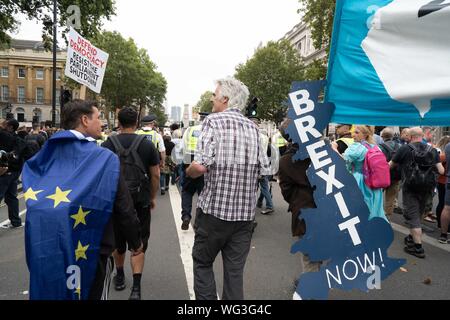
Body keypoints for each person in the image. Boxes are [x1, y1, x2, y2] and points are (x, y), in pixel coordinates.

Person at [22, 100, 143, 300]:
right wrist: (136, 242)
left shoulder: (43, 156)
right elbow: (124, 207)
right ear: (85, 120)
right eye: (98, 118)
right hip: (92, 248)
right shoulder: (104, 158)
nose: (102, 123)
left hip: (49, 250)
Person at [186, 77, 270, 300]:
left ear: (225, 98)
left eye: (215, 95)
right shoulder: (254, 128)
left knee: (203, 263)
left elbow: (201, 166)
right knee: (234, 274)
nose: (212, 99)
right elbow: (265, 170)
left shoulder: (213, 122)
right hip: (244, 217)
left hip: (214, 212)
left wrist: (189, 171)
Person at [102, 107, 160, 300]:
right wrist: (151, 197)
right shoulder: (147, 145)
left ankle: (119, 276)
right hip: (140, 201)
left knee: (118, 243)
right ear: (137, 123)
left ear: (118, 122)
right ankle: (136, 288)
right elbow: (155, 175)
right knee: (139, 243)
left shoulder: (107, 144)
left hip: (115, 202)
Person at [277, 119, 318, 294]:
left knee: (310, 257)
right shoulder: (322, 152)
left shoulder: (286, 160)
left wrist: (296, 201)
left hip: (304, 209)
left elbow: (286, 190)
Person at [390, 127, 444, 258]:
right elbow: (441, 171)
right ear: (422, 135)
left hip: (410, 186)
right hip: (427, 187)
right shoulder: (432, 149)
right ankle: (411, 237)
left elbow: (390, 165)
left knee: (412, 216)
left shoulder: (404, 149)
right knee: (419, 212)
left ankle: (418, 248)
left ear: (410, 136)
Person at [333, 125, 387, 221]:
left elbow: (342, 161)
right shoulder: (375, 147)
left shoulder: (356, 147)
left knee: (354, 210)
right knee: (373, 209)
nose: (353, 135)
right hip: (373, 182)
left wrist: (334, 148)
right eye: (353, 132)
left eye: (357, 133)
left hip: (359, 180)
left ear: (365, 135)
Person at [179, 115, 207, 230]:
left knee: (187, 191)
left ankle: (186, 216)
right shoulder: (210, 130)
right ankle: (199, 222)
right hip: (204, 164)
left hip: (189, 162)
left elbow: (182, 148)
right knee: (203, 194)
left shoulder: (190, 130)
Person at [0, 118, 28, 229]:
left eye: (5, 124)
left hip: (5, 171)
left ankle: (15, 221)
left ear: (10, 127)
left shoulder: (4, 136)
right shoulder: (18, 139)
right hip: (15, 172)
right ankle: (15, 221)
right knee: (11, 197)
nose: (3, 125)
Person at [136, 115, 166, 194]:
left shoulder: (137, 133)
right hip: (152, 161)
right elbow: (162, 151)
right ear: (152, 124)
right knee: (153, 177)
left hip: (138, 161)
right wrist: (163, 162)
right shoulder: (157, 135)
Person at [379, 127, 402, 218]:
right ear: (392, 136)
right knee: (391, 197)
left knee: (377, 195)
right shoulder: (399, 146)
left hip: (382, 175)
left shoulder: (380, 147)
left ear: (382, 136)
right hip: (395, 176)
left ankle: (376, 213)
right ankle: (387, 216)